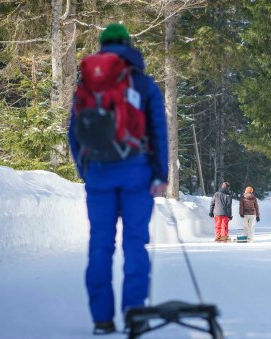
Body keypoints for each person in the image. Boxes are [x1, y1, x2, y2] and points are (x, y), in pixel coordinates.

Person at [67, 23, 168, 335]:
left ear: (101, 45)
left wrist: (87, 171)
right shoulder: (142, 83)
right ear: (127, 43)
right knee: (135, 243)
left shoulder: (86, 84)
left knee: (100, 245)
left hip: (98, 174)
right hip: (136, 170)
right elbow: (158, 131)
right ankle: (134, 314)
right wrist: (160, 173)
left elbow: (74, 134)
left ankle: (101, 319)